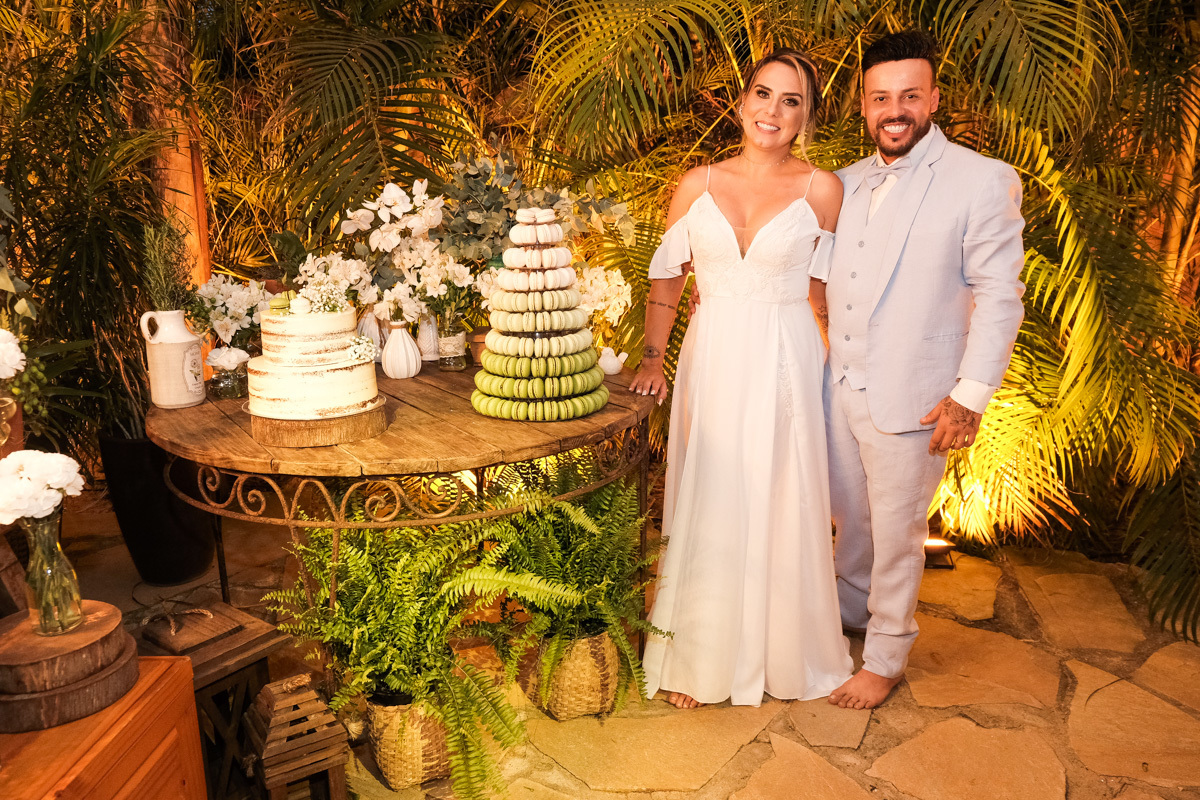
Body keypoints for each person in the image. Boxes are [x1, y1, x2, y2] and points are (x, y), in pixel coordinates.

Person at [629, 48, 854, 709]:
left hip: (786, 355)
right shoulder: (696, 184)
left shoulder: (823, 189)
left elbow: (823, 294)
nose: (773, 111)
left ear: (806, 117)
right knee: (712, 491)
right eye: (763, 94)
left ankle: (783, 652)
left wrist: (841, 371)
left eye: (791, 101)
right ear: (740, 102)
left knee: (780, 493)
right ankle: (699, 657)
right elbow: (669, 277)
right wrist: (651, 358)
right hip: (714, 350)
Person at [823, 31, 1026, 709]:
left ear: (934, 98)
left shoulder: (981, 178)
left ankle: (884, 657)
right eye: (881, 97)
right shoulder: (844, 182)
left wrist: (968, 397)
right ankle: (853, 615)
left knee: (899, 532)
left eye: (910, 94)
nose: (896, 109)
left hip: (916, 396)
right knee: (851, 522)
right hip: (837, 386)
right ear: (863, 105)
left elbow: (1000, 294)